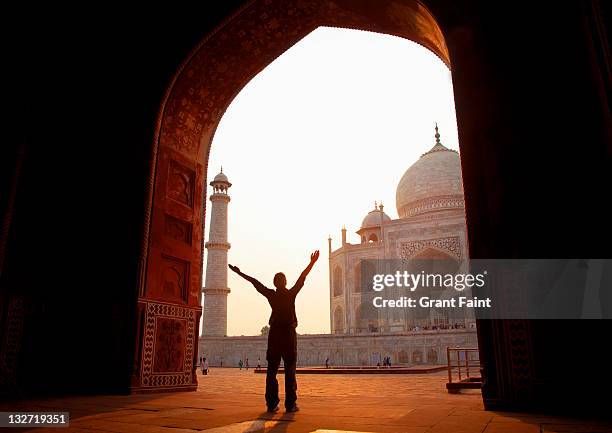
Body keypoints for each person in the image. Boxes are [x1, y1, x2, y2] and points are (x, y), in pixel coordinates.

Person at [229, 250, 319, 413]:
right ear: (284, 282)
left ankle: (271, 403)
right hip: (288, 335)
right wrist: (312, 262)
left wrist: (239, 273)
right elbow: (302, 277)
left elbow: (255, 283)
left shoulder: (271, 295)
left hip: (275, 334)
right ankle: (290, 404)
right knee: (290, 370)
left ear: (275, 283)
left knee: (272, 371)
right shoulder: (291, 294)